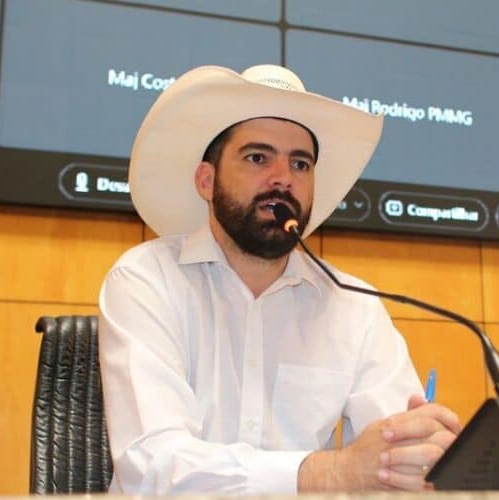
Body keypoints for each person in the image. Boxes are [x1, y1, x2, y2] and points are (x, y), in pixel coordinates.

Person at [98, 64, 461, 495]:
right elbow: (154, 467)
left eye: (300, 163)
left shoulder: (353, 305)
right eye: (258, 157)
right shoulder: (146, 280)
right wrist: (331, 472)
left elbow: (393, 453)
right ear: (207, 180)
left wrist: (417, 454)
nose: (283, 178)